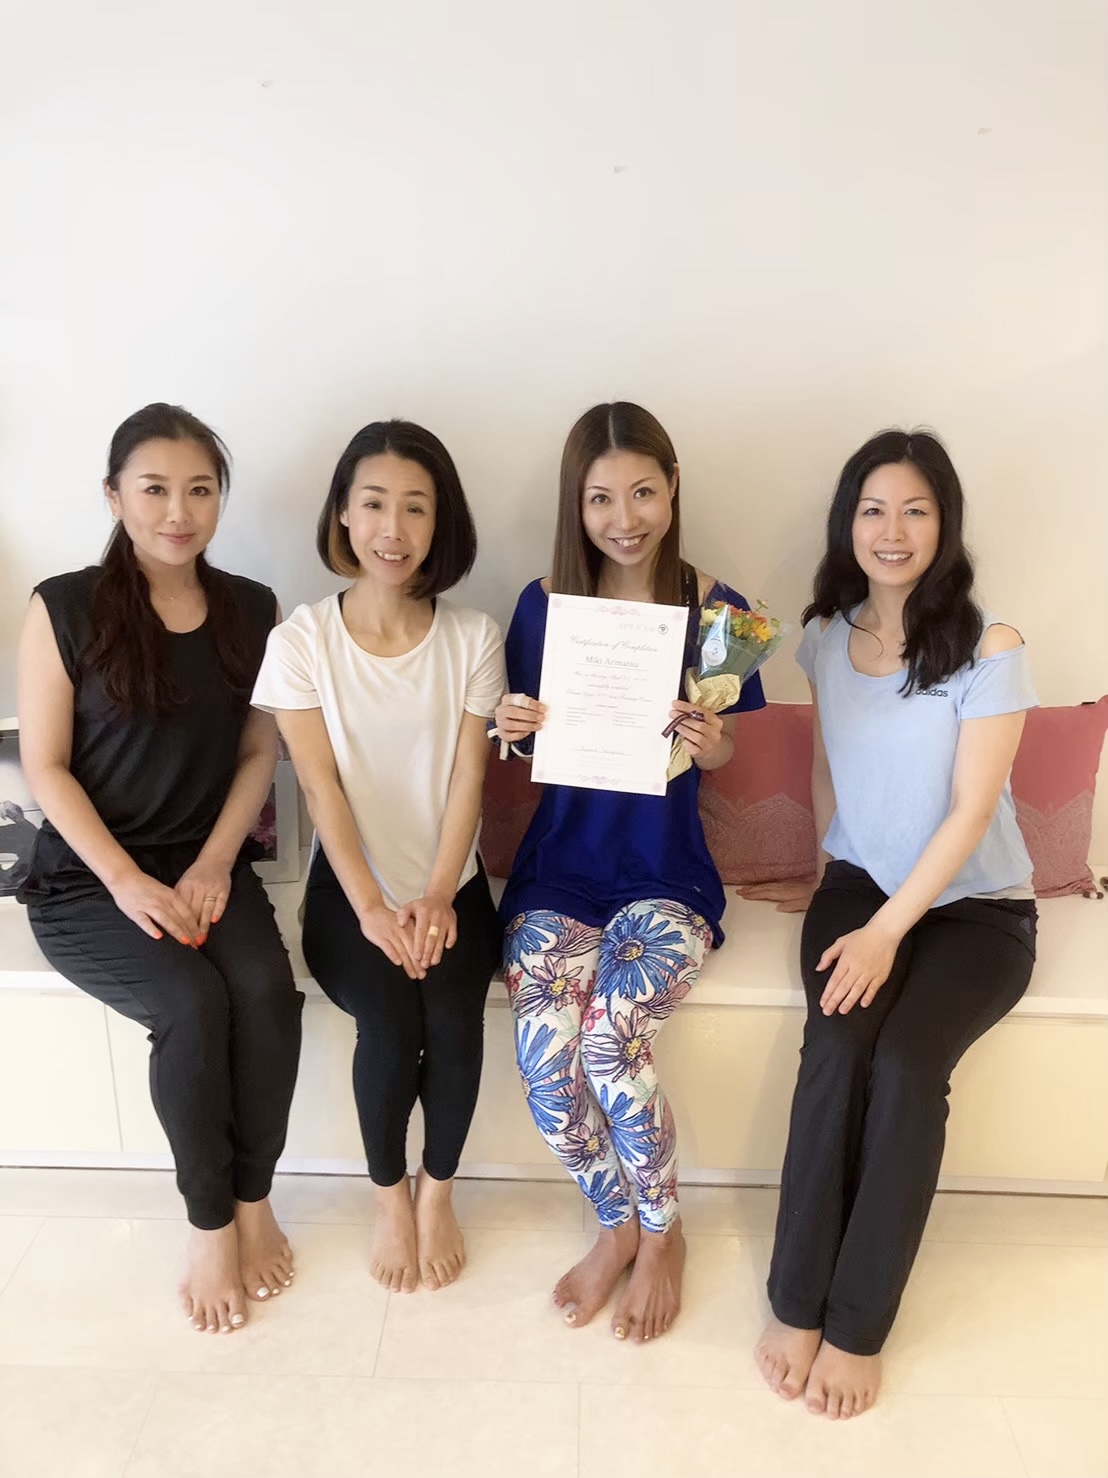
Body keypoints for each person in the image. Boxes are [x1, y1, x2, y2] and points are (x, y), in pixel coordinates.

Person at [750, 429, 1038, 1419]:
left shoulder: (991, 647)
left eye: (916, 509)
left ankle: (858, 1323)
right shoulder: (824, 639)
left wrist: (886, 932)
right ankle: (796, 1301)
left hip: (978, 910)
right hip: (857, 887)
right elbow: (828, 764)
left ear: (944, 524)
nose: (893, 529)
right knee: (836, 1046)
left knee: (907, 1064)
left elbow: (968, 812)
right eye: (874, 509)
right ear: (848, 523)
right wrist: (827, 869)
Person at [17, 402, 303, 1336]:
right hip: (87, 879)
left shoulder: (253, 609)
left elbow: (259, 750)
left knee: (266, 995)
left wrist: (217, 861)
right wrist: (125, 881)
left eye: (200, 490)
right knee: (191, 1003)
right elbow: (46, 766)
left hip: (207, 863)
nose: (178, 512)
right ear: (114, 496)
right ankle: (209, 1224)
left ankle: (254, 1200)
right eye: (153, 489)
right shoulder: (63, 606)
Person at [494, 401, 765, 1343]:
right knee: (544, 1056)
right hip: (560, 870)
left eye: (643, 492)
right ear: (575, 504)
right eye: (601, 497)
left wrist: (713, 741)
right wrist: (511, 728)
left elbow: (729, 753)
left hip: (666, 872)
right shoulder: (542, 604)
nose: (624, 518)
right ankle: (615, 1222)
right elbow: (524, 740)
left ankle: (663, 1232)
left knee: (612, 1037)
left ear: (673, 487)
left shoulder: (722, 610)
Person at [253, 420, 504, 1294]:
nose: (393, 529)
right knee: (392, 1024)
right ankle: (389, 1196)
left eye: (415, 508)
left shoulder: (474, 637)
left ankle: (439, 1192)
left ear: (441, 523)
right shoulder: (300, 642)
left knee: (455, 1024)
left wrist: (436, 897)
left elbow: (470, 780)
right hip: (348, 892)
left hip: (452, 885)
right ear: (343, 515)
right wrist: (372, 908)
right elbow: (320, 788)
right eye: (374, 505)